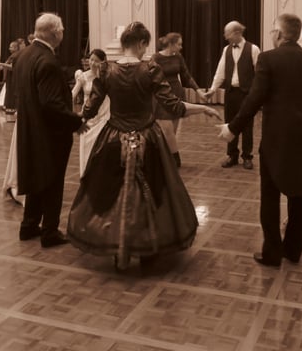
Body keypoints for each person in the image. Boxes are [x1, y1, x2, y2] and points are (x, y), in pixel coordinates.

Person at [67, 21, 221, 270]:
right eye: (144, 46)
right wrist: (203, 108)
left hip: (113, 139)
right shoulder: (150, 69)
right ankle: (148, 247)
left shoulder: (106, 71)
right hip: (148, 140)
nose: (144, 51)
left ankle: (119, 249)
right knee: (155, 194)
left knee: (112, 195)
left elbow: (89, 108)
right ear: (140, 44)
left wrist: (75, 123)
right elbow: (173, 106)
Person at [218, 13, 302, 267]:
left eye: (273, 31)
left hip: (274, 139)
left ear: (280, 34)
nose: (272, 35)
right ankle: (293, 250)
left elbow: (254, 99)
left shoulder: (268, 59)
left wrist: (233, 128)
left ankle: (272, 252)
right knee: (299, 194)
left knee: (270, 197)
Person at [14, 13, 87, 248]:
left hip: (29, 129)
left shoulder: (24, 55)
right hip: (48, 134)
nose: (63, 34)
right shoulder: (48, 61)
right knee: (53, 181)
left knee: (37, 178)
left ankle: (29, 225)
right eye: (62, 30)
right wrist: (76, 121)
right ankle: (50, 232)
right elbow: (51, 104)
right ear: (55, 33)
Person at [203, 21, 260, 170]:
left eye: (226, 33)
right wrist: (213, 89)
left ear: (236, 33)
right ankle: (232, 155)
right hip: (231, 93)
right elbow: (220, 72)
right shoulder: (226, 49)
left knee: (247, 126)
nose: (224, 36)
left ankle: (247, 157)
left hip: (247, 94)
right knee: (230, 124)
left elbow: (260, 74)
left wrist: (257, 94)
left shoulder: (253, 49)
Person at [152, 33, 206, 167]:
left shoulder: (178, 57)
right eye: (179, 44)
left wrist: (198, 90)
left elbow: (186, 75)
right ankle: (175, 159)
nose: (181, 47)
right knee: (167, 130)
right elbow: (151, 77)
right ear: (171, 44)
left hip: (176, 93)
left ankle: (165, 157)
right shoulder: (156, 57)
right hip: (162, 95)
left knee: (172, 132)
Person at [71, 49, 110, 176]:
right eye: (91, 59)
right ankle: (85, 175)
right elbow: (73, 94)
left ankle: (100, 176)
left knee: (102, 148)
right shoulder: (84, 76)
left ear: (103, 62)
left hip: (104, 115)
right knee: (86, 147)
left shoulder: (108, 76)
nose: (92, 63)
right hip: (88, 116)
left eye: (96, 61)